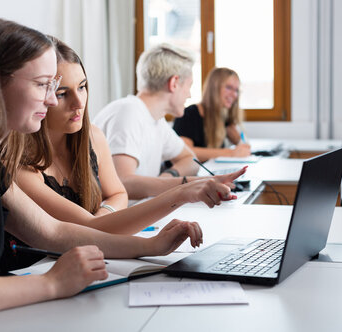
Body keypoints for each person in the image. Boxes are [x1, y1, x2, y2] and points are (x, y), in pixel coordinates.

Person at [0, 18, 202, 316]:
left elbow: (53, 232)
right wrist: (52, 284)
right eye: (44, 85)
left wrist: (150, 246)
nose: (51, 101)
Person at [16, 37, 243, 236]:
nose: (79, 104)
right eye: (62, 93)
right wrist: (182, 190)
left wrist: (175, 182)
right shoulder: (18, 161)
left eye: (83, 87)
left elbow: (117, 194)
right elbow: (94, 224)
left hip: (108, 237)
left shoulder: (95, 135)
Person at [93, 44, 241, 202]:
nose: (190, 94)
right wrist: (189, 184)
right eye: (189, 86)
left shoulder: (156, 120)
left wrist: (168, 176)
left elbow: (191, 160)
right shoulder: (129, 112)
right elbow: (122, 184)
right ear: (174, 83)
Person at [173, 67, 251, 162]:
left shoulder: (223, 118)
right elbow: (185, 152)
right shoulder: (188, 114)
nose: (235, 95)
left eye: (236, 90)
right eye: (229, 88)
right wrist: (231, 153)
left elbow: (244, 145)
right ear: (214, 88)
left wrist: (239, 141)